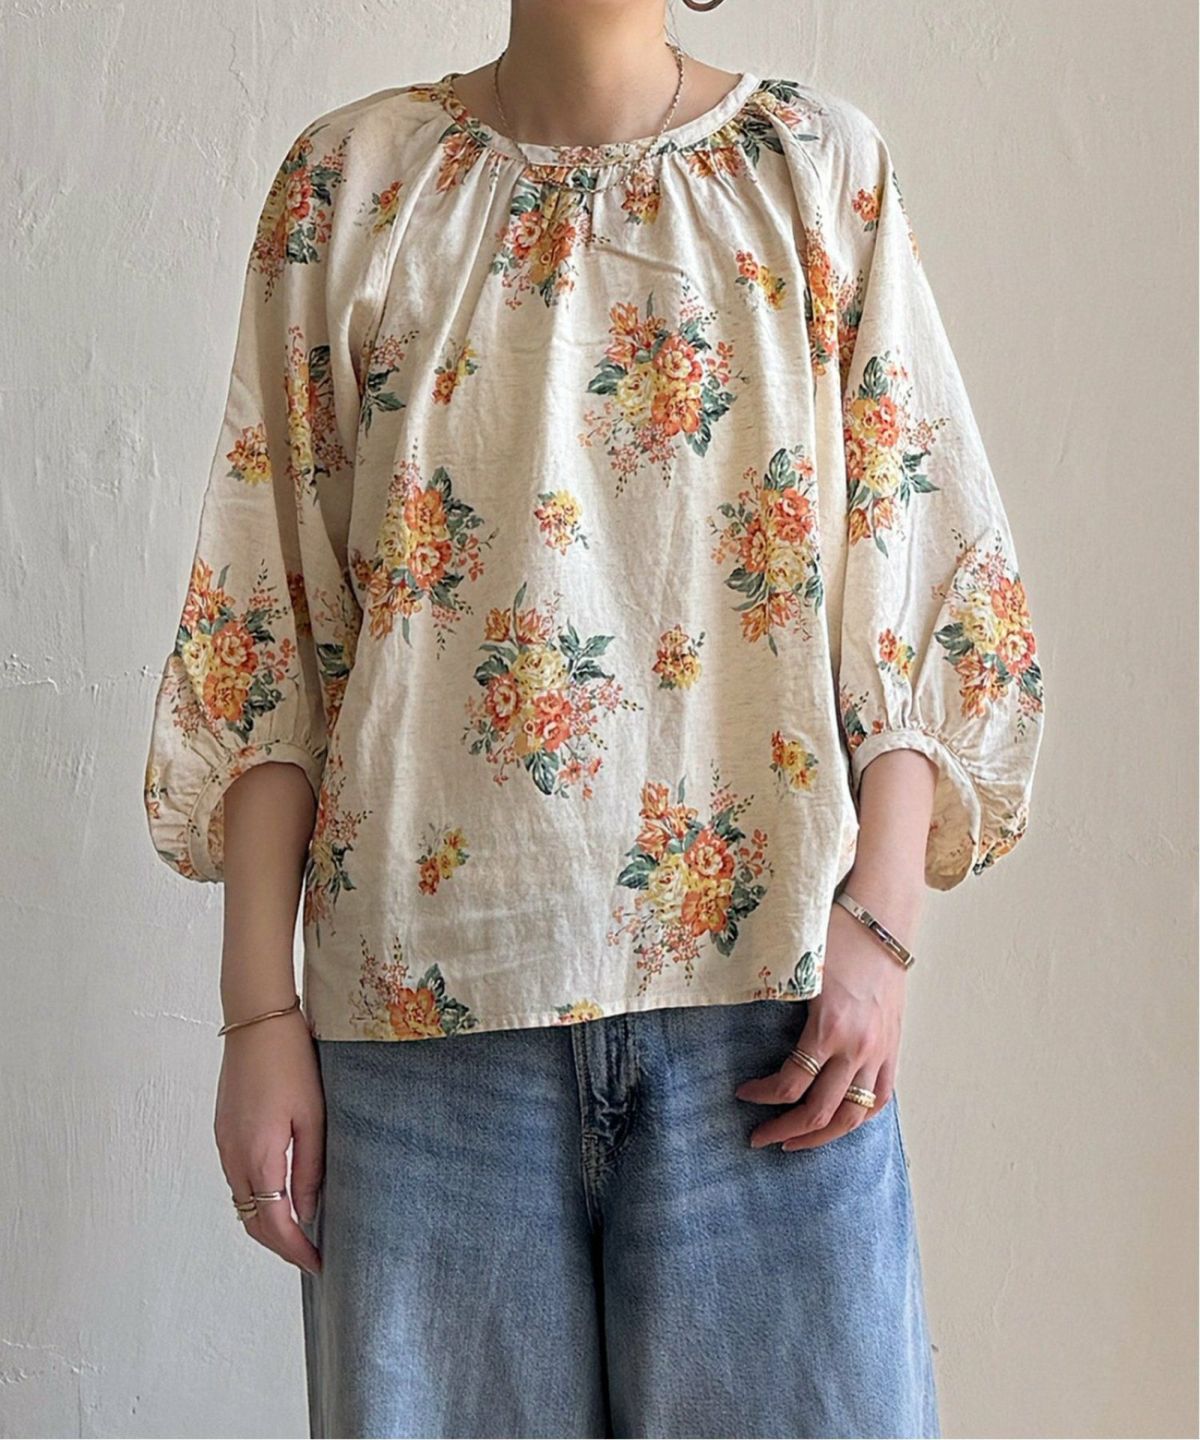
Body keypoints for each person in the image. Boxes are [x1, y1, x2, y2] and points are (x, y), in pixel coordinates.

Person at [142, 1, 1046, 1434]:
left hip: (771, 1024)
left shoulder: (815, 168)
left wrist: (879, 937)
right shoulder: (350, 185)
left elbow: (925, 572)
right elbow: (273, 623)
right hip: (422, 1049)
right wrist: (258, 1014)